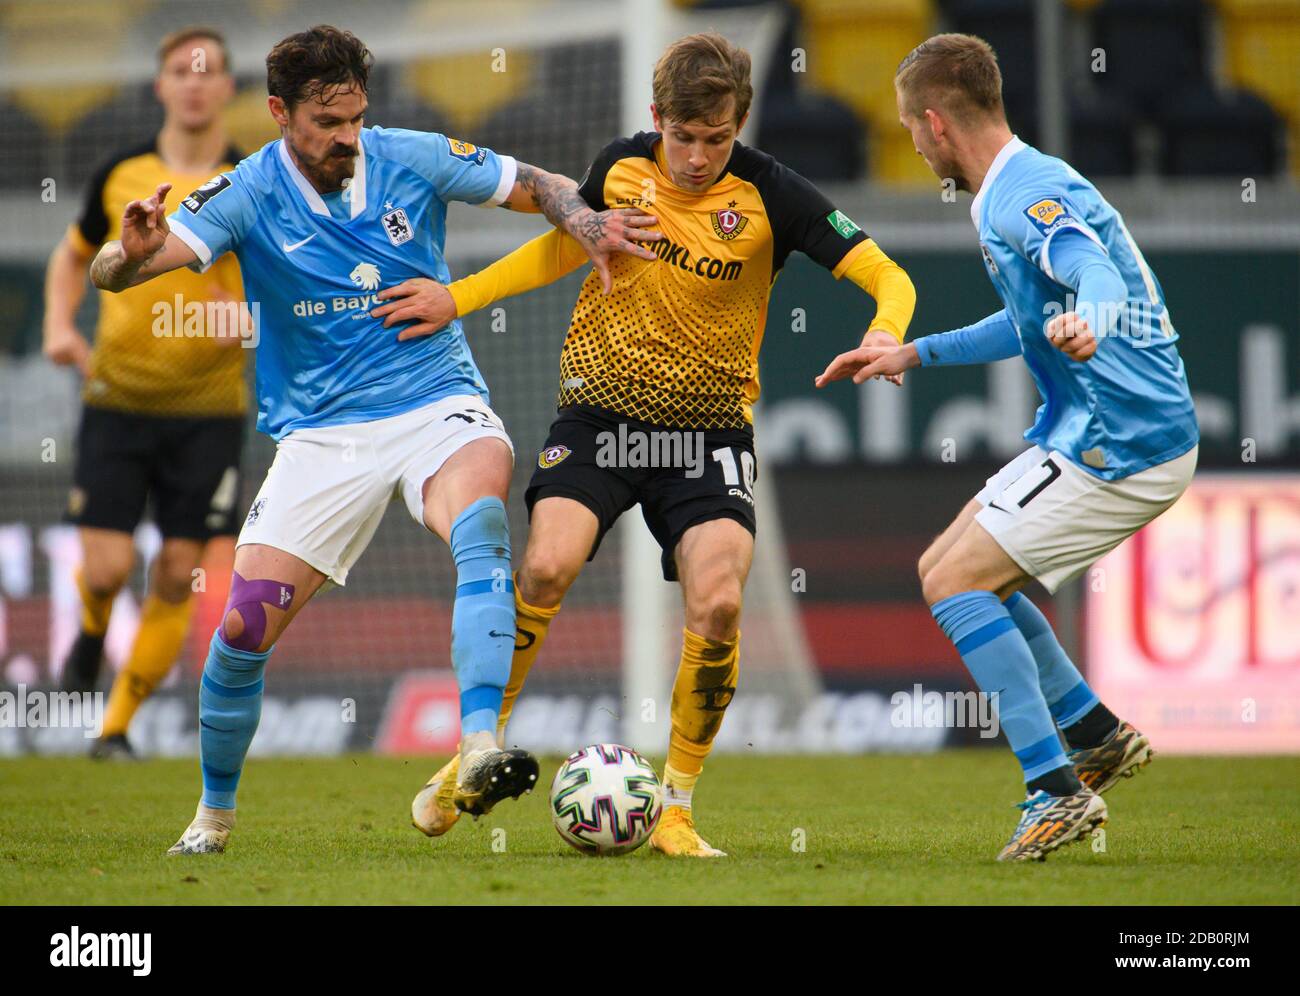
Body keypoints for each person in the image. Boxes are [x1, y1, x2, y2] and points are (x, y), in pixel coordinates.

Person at [88, 24, 660, 854]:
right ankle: (212, 818)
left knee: (484, 514)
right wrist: (127, 254)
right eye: (328, 122)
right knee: (242, 633)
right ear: (281, 113)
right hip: (322, 438)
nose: (347, 137)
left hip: (435, 402)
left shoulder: (411, 154)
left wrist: (582, 219)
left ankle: (476, 744)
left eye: (356, 116)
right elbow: (125, 267)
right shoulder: (245, 190)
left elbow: (537, 182)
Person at [375, 32, 916, 857]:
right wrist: (460, 295)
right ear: (656, 117)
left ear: (738, 124)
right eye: (683, 137)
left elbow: (890, 275)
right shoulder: (621, 167)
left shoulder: (774, 193)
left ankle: (675, 808)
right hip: (600, 419)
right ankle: (471, 756)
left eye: (717, 139)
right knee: (547, 566)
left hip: (708, 434)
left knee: (722, 601)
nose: (697, 158)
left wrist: (886, 331)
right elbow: (566, 242)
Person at [816, 33, 1199, 861]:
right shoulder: (1016, 185)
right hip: (1096, 429)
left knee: (959, 580)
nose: (913, 147)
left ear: (932, 121)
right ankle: (1091, 733)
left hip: (1124, 442)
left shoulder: (1023, 195)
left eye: (911, 131)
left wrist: (1089, 322)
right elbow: (1026, 320)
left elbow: (1091, 273)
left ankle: (1055, 793)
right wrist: (913, 353)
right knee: (946, 568)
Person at [44, 26, 245, 759]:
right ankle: (93, 629)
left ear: (228, 88)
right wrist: (61, 325)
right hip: (117, 401)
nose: (194, 83)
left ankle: (116, 727)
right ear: (161, 85)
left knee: (176, 575)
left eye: (209, 72)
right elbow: (71, 260)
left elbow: (278, 293)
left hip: (210, 415)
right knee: (104, 568)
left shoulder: (252, 180)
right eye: (180, 72)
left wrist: (249, 321)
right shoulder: (120, 174)